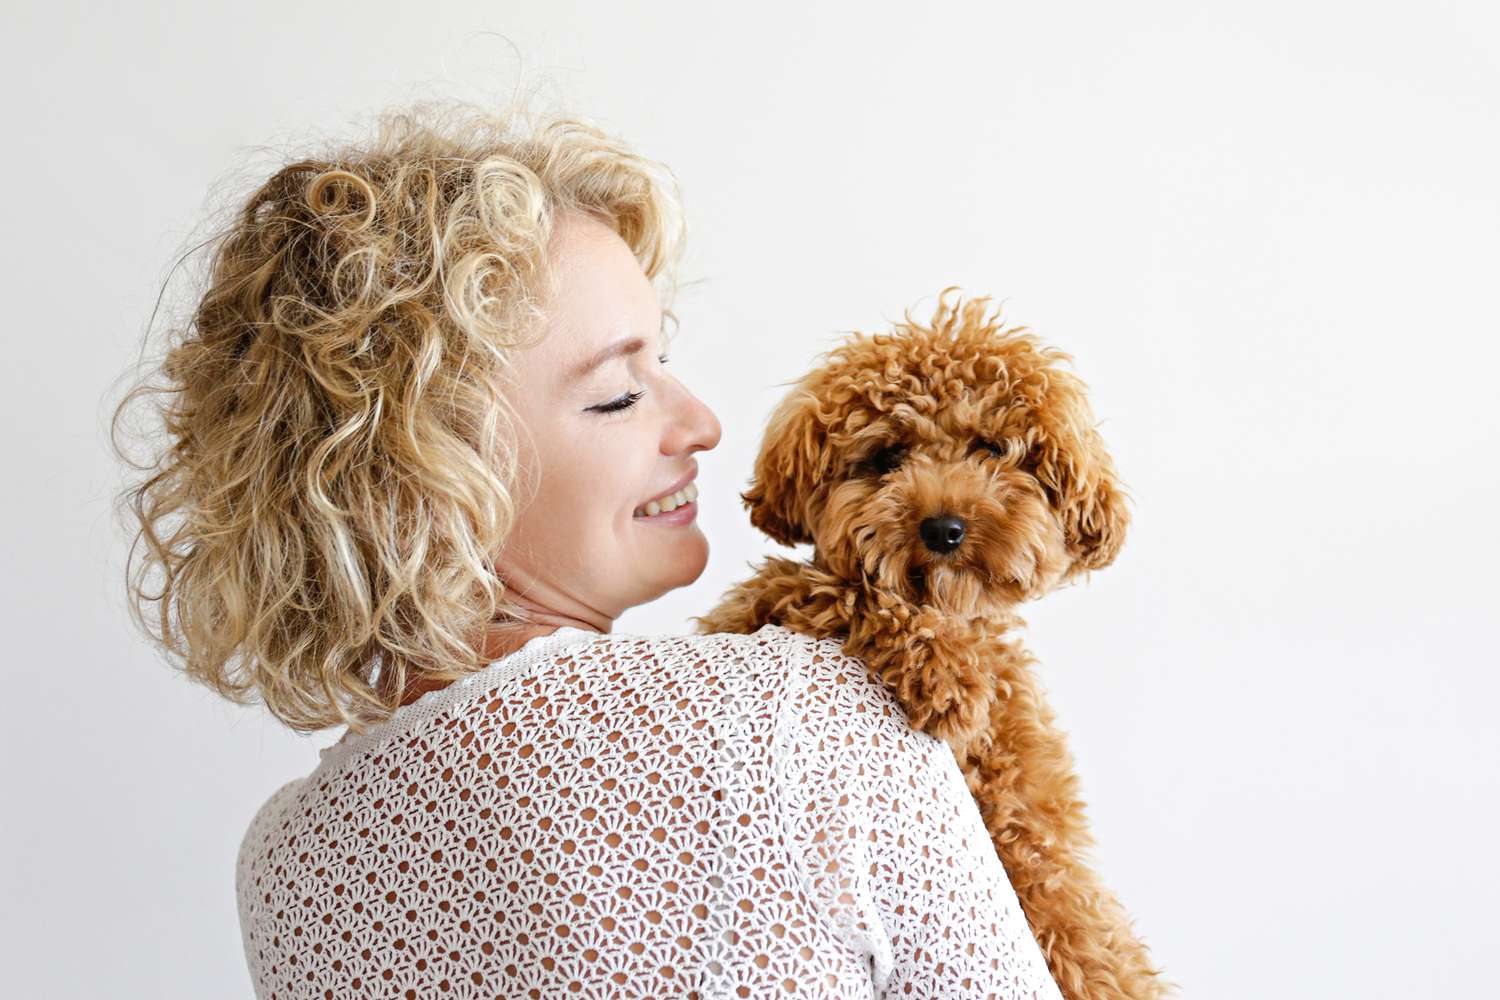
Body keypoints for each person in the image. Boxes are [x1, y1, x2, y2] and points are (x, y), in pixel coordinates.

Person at [114, 99, 1064, 999]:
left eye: (666, 360)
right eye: (617, 393)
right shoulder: (801, 714)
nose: (700, 420)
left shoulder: (285, 869)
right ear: (425, 478)